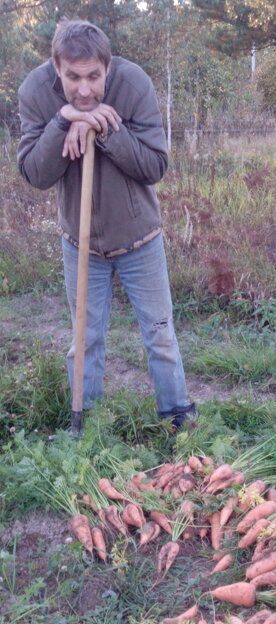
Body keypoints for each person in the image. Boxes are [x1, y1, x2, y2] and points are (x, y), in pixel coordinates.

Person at [17, 19, 196, 430]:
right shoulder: (34, 92)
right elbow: (34, 174)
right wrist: (63, 120)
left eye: (94, 77)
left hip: (140, 238)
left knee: (161, 335)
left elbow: (155, 166)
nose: (84, 89)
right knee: (85, 340)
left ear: (108, 67)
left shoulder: (133, 85)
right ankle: (88, 427)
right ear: (55, 68)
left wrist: (102, 127)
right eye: (72, 78)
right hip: (79, 243)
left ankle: (178, 421)